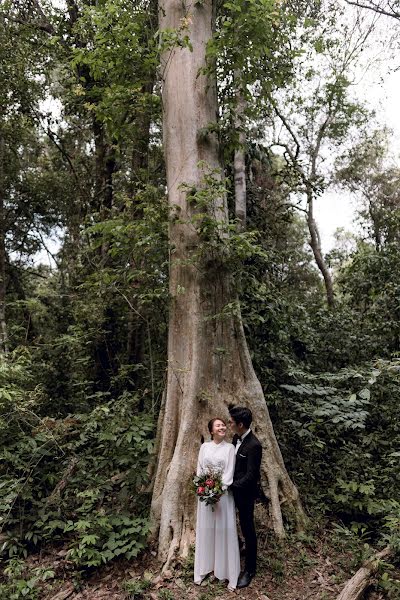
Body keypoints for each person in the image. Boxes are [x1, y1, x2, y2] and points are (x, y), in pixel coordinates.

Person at [194, 418, 240, 591]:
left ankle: (226, 571)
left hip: (223, 495)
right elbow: (200, 469)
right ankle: (204, 568)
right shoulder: (204, 447)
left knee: (224, 530)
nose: (222, 427)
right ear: (211, 430)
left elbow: (229, 472)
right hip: (205, 496)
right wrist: (203, 488)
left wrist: (219, 488)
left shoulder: (230, 448)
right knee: (206, 530)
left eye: (223, 425)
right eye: (218, 425)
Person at [229, 405, 262, 589]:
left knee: (248, 528)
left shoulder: (254, 445)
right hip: (232, 491)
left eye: (232, 422)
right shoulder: (236, 438)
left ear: (240, 424)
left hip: (245, 495)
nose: (229, 424)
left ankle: (250, 569)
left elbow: (251, 476)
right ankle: (238, 547)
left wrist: (231, 486)